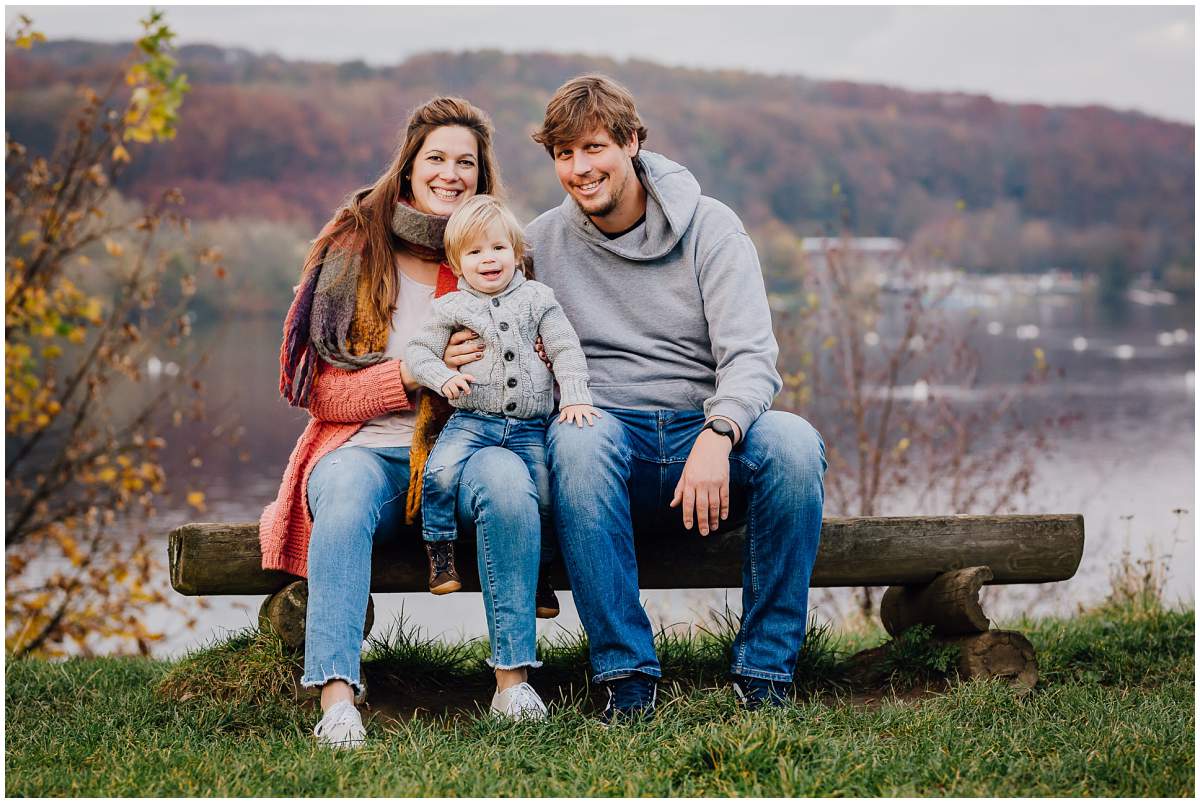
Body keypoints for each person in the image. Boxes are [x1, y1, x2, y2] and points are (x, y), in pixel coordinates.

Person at [524, 75, 828, 722]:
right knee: (576, 438)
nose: (580, 169)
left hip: (704, 434)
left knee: (796, 444)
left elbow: (751, 357)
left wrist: (720, 433)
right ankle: (627, 678)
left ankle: (765, 674)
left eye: (595, 148)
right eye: (564, 154)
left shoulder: (712, 228)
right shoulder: (539, 245)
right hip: (607, 446)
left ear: (633, 142)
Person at [259, 97, 548, 750]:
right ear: (410, 166)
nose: (450, 174)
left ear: (481, 175)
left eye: (465, 163)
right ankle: (337, 697)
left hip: (467, 445)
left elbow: (527, 375)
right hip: (364, 449)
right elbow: (324, 395)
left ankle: (513, 683)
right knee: (343, 494)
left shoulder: (493, 252)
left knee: (507, 482)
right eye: (437, 158)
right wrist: (413, 375)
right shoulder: (353, 248)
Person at [405, 194, 599, 603]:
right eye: (475, 252)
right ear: (458, 264)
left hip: (529, 426)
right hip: (473, 420)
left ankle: (541, 575)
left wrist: (575, 396)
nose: (488, 259)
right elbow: (419, 354)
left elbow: (564, 348)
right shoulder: (451, 307)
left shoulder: (538, 299)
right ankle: (440, 551)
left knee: (545, 496)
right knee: (439, 472)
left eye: (498, 248)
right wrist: (443, 378)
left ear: (515, 252)